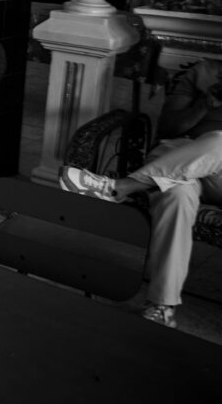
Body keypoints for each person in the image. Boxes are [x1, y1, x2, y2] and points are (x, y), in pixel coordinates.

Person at [60, 57, 222, 329]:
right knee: (176, 195)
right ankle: (162, 306)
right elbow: (168, 128)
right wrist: (205, 104)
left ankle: (120, 187)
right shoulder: (202, 72)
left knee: (218, 141)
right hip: (179, 157)